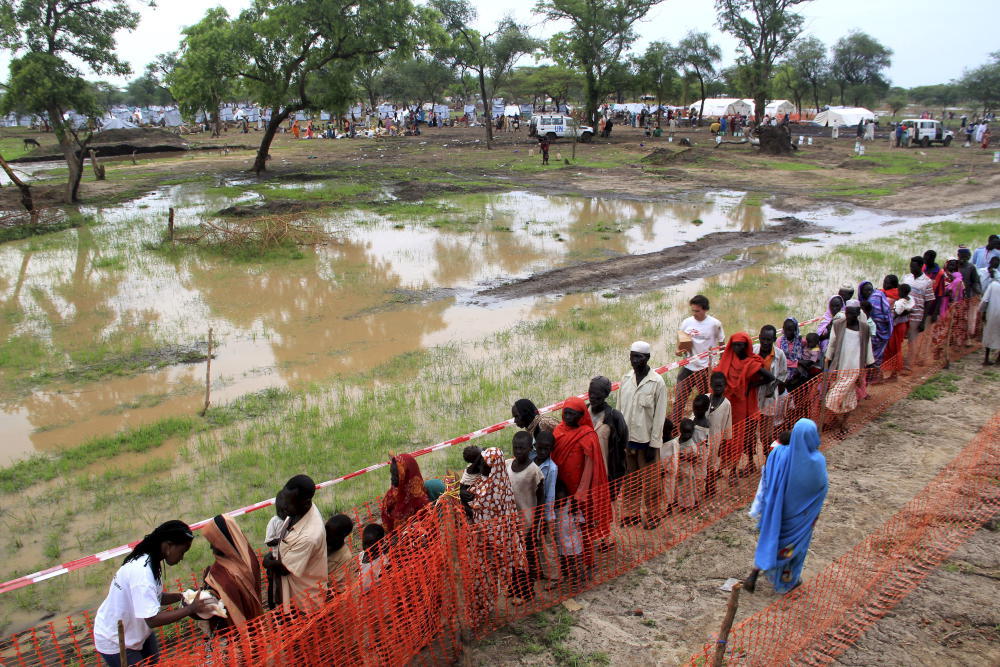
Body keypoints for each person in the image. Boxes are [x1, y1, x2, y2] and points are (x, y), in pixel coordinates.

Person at [93, 520, 211, 666]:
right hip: (116, 641)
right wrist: (190, 609)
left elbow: (154, 597)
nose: (182, 558)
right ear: (168, 546)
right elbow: (152, 619)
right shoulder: (143, 573)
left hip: (138, 632)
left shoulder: (151, 561)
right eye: (182, 552)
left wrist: (183, 596)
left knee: (153, 662)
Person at [744, 418, 827, 594]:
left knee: (770, 539)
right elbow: (821, 487)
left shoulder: (780, 453)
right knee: (794, 549)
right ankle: (787, 581)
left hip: (777, 511)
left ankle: (754, 573)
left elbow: (767, 474)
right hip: (801, 518)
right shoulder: (817, 462)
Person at [553, 396, 612, 558]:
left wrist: (580, 494)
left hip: (580, 491)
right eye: (566, 413)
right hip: (561, 490)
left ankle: (586, 562)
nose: (568, 417)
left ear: (581, 416)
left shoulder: (587, 435)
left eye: (572, 414)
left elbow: (589, 467)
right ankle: (566, 562)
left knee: (581, 527)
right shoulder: (557, 431)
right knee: (561, 528)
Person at [618, 341, 668, 528]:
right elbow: (619, 410)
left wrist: (654, 445)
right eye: (632, 356)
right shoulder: (626, 379)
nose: (634, 361)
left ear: (647, 358)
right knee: (631, 482)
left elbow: (659, 416)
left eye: (638, 357)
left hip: (646, 444)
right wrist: (620, 438)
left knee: (652, 484)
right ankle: (631, 514)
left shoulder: (657, 383)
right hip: (628, 442)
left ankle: (653, 516)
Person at [263, 475, 327, 612]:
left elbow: (285, 569)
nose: (284, 505)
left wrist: (268, 562)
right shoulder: (299, 509)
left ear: (304, 503)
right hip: (291, 594)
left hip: (303, 602)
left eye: (289, 502)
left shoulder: (310, 535)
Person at [713, 332, 773, 478]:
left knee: (736, 438)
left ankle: (733, 471)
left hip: (741, 406)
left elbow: (770, 377)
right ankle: (720, 469)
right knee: (721, 438)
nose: (737, 348)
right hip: (726, 404)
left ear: (746, 346)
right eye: (734, 345)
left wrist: (751, 385)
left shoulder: (751, 362)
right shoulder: (727, 360)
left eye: (740, 345)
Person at [201, 514, 264, 630]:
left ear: (223, 541)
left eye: (213, 542)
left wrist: (208, 586)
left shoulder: (219, 573)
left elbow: (227, 593)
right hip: (257, 618)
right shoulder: (249, 557)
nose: (211, 547)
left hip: (236, 630)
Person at [674, 295, 726, 427]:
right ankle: (674, 426)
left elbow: (722, 345)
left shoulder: (715, 324)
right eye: (693, 311)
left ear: (705, 309)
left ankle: (705, 424)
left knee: (705, 399)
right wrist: (679, 351)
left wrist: (721, 363)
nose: (695, 314)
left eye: (697, 311)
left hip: (705, 369)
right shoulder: (686, 323)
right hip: (688, 367)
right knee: (679, 398)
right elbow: (682, 344)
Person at [824, 300, 874, 434]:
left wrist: (870, 363)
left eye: (852, 314)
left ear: (858, 313)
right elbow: (832, 344)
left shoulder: (864, 328)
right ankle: (835, 420)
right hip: (839, 367)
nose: (849, 316)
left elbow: (867, 346)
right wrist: (827, 360)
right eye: (847, 313)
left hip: (855, 369)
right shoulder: (838, 325)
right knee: (833, 398)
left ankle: (844, 422)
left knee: (850, 398)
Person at [506, 431, 543, 603]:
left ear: (530, 448)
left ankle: (526, 592)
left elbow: (541, 497)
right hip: (511, 521)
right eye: (515, 447)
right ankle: (514, 587)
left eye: (522, 448)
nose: (518, 451)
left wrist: (537, 523)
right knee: (513, 555)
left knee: (525, 558)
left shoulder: (534, 471)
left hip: (527, 521)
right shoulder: (508, 465)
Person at [587, 376, 628, 492]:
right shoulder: (583, 412)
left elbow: (621, 449)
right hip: (586, 477)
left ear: (606, 395)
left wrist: (617, 479)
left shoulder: (615, 418)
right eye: (591, 392)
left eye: (597, 394)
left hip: (607, 477)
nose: (593, 397)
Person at [754, 325, 789, 451]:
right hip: (752, 396)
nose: (765, 342)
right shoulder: (753, 350)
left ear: (774, 339)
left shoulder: (779, 355)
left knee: (766, 434)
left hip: (769, 398)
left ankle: (768, 455)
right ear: (759, 338)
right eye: (763, 339)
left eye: (769, 339)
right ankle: (751, 461)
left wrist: (773, 387)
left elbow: (783, 374)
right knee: (750, 432)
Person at [380, 453, 429, 533]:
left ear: (407, 475)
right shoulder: (393, 493)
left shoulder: (421, 502)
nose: (392, 480)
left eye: (397, 476)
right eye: (392, 474)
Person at [901, 256, 933, 373]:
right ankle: (898, 362)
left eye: (913, 266)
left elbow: (929, 301)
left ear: (920, 267)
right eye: (910, 266)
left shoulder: (927, 282)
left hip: (917, 315)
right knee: (900, 338)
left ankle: (908, 365)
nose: (911, 268)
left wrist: (924, 320)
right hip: (903, 314)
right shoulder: (906, 278)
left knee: (912, 340)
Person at [705, 371, 732, 498]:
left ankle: (710, 487)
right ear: (710, 385)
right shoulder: (705, 399)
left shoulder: (726, 404)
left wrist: (725, 440)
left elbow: (728, 424)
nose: (717, 388)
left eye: (720, 386)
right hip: (702, 439)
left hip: (716, 439)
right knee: (701, 463)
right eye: (715, 386)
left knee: (713, 464)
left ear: (725, 386)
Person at [858, 280, 893, 365]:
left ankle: (873, 370)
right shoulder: (878, 295)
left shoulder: (876, 297)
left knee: (874, 354)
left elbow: (886, 311)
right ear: (861, 292)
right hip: (878, 330)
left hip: (881, 330)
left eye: (870, 290)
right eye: (866, 290)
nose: (869, 292)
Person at [883, 281, 912, 372]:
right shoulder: (909, 299)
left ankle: (895, 369)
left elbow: (895, 315)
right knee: (894, 346)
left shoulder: (899, 302)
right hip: (902, 325)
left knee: (894, 347)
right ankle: (891, 367)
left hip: (897, 326)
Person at [325, 514, 355, 593]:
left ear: (342, 536)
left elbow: (337, 588)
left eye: (330, 535)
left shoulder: (345, 557)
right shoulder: (321, 540)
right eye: (326, 531)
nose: (326, 536)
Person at [980, 278, 1000, 365]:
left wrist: (982, 311)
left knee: (989, 334)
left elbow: (985, 300)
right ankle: (999, 359)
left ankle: (986, 359)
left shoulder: (993, 285)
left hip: (992, 313)